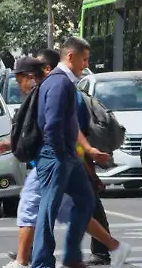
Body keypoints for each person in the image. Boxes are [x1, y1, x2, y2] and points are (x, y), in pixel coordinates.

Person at [4, 57, 132, 268]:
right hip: (56, 161)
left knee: (31, 206)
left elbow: (73, 131)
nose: (20, 86)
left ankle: (25, 260)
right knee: (69, 210)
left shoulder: (61, 91)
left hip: (57, 160)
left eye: (21, 79)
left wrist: (86, 159)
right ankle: (112, 246)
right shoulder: (48, 90)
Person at [31, 37, 103, 268]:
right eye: (84, 59)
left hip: (67, 155)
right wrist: (61, 153)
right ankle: (42, 261)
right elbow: (51, 124)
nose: (86, 64)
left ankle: (71, 255)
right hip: (56, 156)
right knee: (48, 208)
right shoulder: (59, 83)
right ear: (71, 56)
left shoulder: (63, 82)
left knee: (85, 200)